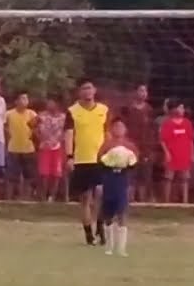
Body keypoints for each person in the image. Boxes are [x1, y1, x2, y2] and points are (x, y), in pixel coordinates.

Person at [64, 78, 110, 245]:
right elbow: (68, 135)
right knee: (85, 198)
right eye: (84, 88)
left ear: (94, 90)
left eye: (90, 88)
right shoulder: (73, 111)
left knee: (100, 193)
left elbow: (108, 133)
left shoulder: (103, 110)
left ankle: (100, 226)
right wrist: (69, 156)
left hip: (100, 159)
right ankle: (88, 234)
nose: (87, 91)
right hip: (81, 160)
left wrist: (111, 153)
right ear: (79, 92)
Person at [98, 119, 138, 257]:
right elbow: (100, 163)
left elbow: (134, 164)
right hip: (109, 181)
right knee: (108, 214)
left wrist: (130, 184)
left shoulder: (130, 146)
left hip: (123, 181)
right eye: (116, 127)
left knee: (122, 213)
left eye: (121, 126)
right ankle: (109, 246)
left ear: (125, 129)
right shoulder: (106, 146)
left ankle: (121, 248)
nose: (118, 129)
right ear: (111, 129)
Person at [119, 84, 157, 202]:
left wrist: (151, 148)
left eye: (145, 91)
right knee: (130, 174)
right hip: (130, 146)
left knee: (144, 176)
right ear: (135, 92)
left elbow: (152, 130)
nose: (143, 93)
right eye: (141, 90)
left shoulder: (149, 110)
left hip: (145, 148)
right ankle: (129, 200)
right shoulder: (128, 109)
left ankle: (142, 201)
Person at [159, 99, 194, 204]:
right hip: (171, 155)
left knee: (185, 179)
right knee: (168, 178)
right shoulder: (167, 123)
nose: (182, 110)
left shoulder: (187, 123)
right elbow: (162, 140)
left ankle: (185, 201)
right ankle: (166, 201)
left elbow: (191, 140)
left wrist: (192, 153)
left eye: (183, 108)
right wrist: (166, 153)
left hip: (184, 154)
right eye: (180, 107)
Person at [5, 92, 38, 200]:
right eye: (22, 98)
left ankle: (25, 198)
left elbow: (37, 130)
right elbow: (4, 127)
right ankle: (9, 198)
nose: (25, 101)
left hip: (28, 148)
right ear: (16, 101)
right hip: (13, 148)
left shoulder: (32, 114)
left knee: (28, 176)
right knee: (11, 176)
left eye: (26, 99)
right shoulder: (9, 114)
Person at [35, 99, 67, 202]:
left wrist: (61, 139)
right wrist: (39, 137)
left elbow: (68, 131)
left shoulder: (63, 117)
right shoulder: (41, 116)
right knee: (44, 173)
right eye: (48, 102)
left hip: (57, 147)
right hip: (44, 147)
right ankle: (43, 196)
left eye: (52, 102)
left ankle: (52, 196)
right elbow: (31, 126)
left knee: (56, 174)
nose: (50, 104)